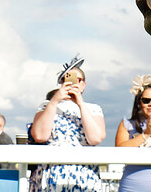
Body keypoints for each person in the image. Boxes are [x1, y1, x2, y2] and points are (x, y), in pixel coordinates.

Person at [28, 55, 106, 192]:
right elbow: (40, 135)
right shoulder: (47, 106)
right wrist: (54, 102)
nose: (72, 83)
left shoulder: (93, 109)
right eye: (66, 79)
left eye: (77, 80)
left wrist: (80, 104)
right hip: (52, 172)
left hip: (84, 173)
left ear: (84, 84)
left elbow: (95, 138)